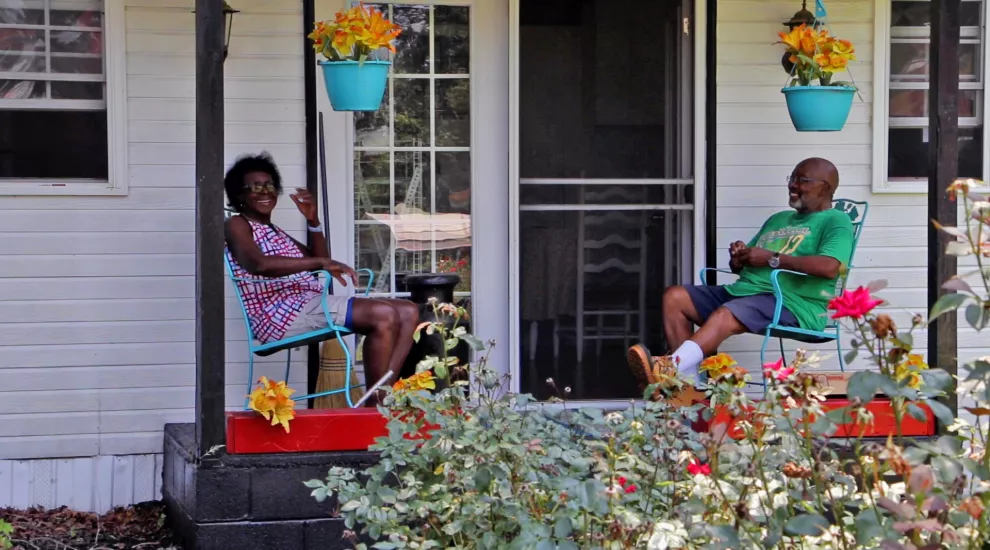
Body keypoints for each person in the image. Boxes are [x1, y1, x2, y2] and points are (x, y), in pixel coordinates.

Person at [627, 157, 854, 402]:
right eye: (792, 178)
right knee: (675, 297)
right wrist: (740, 258)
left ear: (826, 187)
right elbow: (753, 261)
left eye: (802, 180)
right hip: (746, 293)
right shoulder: (778, 219)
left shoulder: (836, 221)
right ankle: (688, 391)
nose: (793, 185)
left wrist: (772, 258)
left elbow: (831, 267)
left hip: (793, 303)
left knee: (728, 313)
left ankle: (671, 370)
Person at [223, 153, 419, 404]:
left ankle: (381, 397)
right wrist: (322, 262)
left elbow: (321, 261)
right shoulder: (237, 224)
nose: (266, 192)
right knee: (383, 314)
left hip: (307, 304)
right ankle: (376, 408)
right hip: (279, 314)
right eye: (256, 186)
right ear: (239, 195)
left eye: (270, 185)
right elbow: (258, 264)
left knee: (409, 311)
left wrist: (313, 221)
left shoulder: (274, 231)